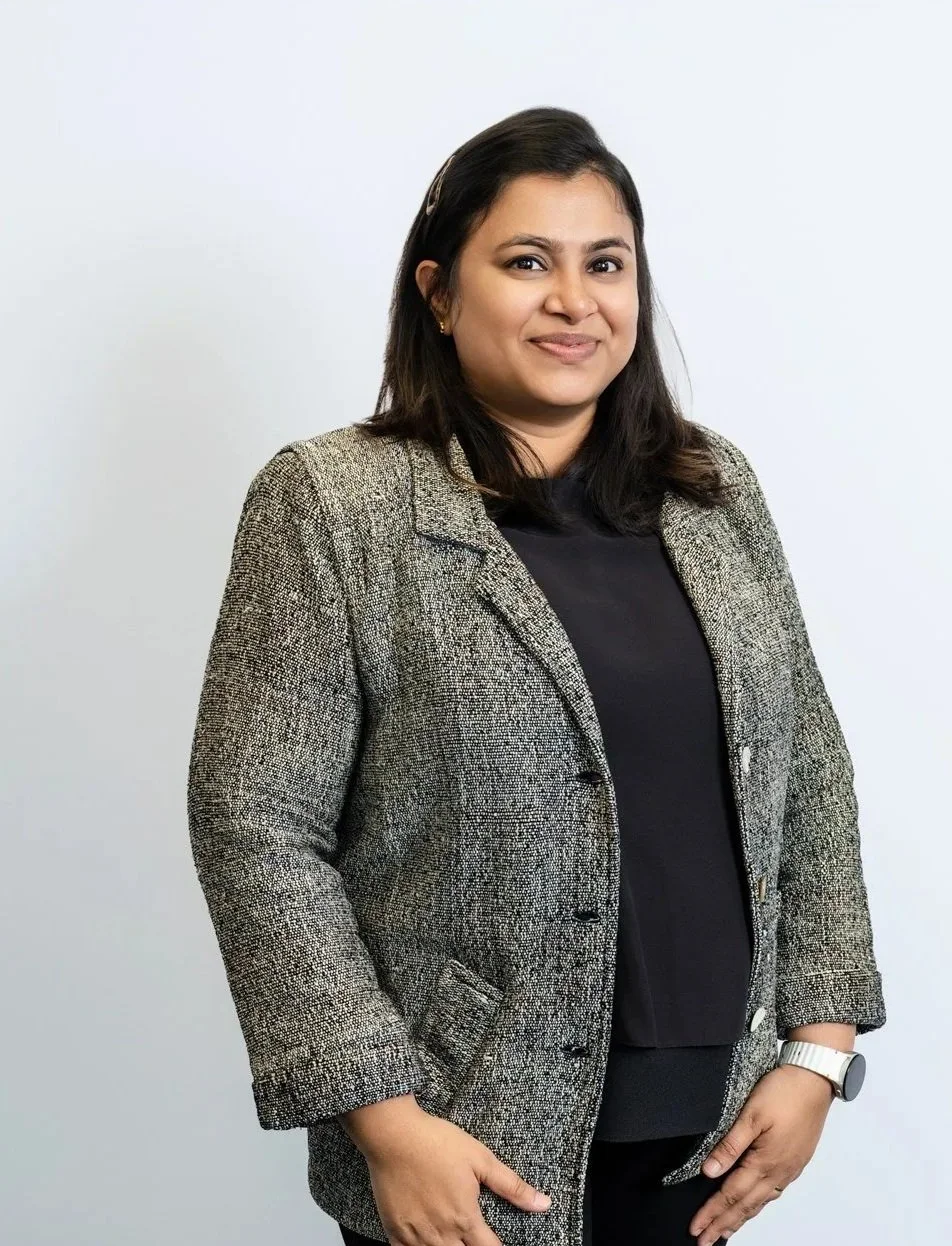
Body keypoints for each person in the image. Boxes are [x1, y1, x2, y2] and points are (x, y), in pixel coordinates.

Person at [187, 106, 887, 1246]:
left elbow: (805, 764)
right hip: (464, 1134)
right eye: (526, 263)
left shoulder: (713, 489)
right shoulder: (333, 503)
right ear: (438, 292)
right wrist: (382, 1117)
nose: (575, 301)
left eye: (604, 263)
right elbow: (255, 822)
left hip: (713, 1128)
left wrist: (819, 1049)